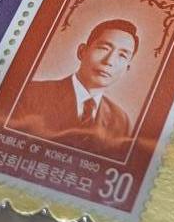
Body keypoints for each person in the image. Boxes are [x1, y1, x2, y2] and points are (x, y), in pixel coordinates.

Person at [8, 19, 138, 155]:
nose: (109, 61)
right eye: (104, 48)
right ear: (82, 51)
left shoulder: (121, 121)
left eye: (122, 55)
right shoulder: (30, 93)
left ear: (127, 69)